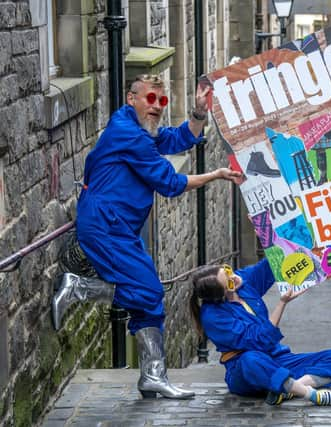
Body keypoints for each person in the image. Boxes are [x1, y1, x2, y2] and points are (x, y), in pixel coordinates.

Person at [51, 74, 243, 399]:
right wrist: (218, 174)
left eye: (161, 101)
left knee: (147, 301)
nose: (156, 107)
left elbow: (177, 139)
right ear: (132, 98)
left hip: (120, 227)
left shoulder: (136, 128)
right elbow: (169, 183)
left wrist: (198, 112)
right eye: (150, 99)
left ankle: (153, 376)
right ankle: (78, 288)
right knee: (150, 291)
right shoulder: (130, 134)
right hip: (105, 225)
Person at [189, 259, 331, 407]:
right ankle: (313, 395)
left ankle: (289, 388)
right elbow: (261, 340)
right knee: (251, 359)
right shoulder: (213, 316)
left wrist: (284, 235)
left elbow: (271, 264)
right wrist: (282, 303)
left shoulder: (242, 282)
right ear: (220, 296)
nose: (233, 277)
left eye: (227, 270)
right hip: (246, 370)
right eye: (229, 283)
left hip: (278, 359)